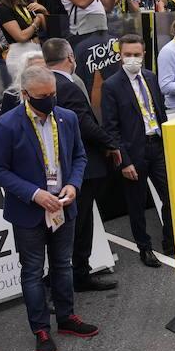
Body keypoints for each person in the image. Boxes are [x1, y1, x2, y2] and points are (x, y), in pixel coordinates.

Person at [0, 65, 100, 351]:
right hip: (29, 212)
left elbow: (79, 156)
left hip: (64, 206)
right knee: (33, 271)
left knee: (63, 265)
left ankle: (66, 318)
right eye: (42, 96)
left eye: (52, 94)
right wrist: (35, 194)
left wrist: (73, 185)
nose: (49, 100)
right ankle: (40, 329)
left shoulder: (67, 118)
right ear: (25, 95)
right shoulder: (7, 125)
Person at [41, 37, 119, 291]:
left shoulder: (47, 86)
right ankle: (71, 278)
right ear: (71, 58)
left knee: (77, 225)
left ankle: (75, 276)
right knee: (78, 225)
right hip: (82, 167)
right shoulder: (68, 86)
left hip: (62, 167)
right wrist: (112, 143)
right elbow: (86, 124)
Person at [101, 34, 175, 267]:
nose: (132, 58)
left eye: (136, 54)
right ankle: (145, 247)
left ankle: (170, 239)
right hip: (134, 152)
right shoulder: (111, 85)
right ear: (120, 55)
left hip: (158, 147)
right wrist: (124, 161)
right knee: (137, 204)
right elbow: (111, 128)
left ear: (144, 54)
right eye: (127, 55)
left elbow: (159, 110)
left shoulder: (151, 78)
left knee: (171, 196)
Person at [0, 0, 48, 81]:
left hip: (37, 50)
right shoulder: (2, 9)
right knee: (23, 91)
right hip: (19, 54)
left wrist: (44, 11)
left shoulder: (26, 3)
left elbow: (48, 28)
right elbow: (21, 36)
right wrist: (36, 23)